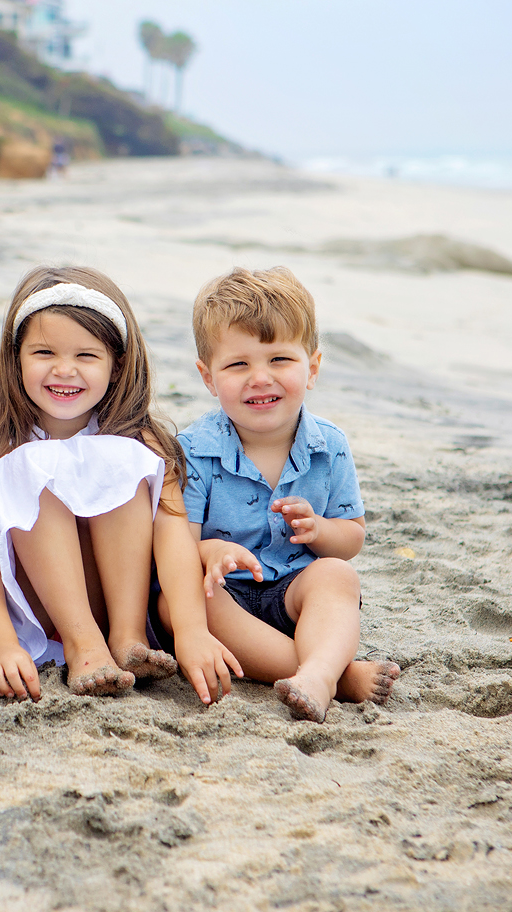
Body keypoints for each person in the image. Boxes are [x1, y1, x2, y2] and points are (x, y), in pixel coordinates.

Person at [0, 266, 241, 703]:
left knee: (114, 459)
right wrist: (1, 646)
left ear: (116, 363)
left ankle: (125, 639)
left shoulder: (135, 438)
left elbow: (172, 533)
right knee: (34, 466)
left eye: (86, 356)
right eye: (44, 353)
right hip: (37, 609)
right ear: (16, 357)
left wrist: (191, 631)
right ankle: (83, 646)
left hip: (116, 602)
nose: (64, 371)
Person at [171, 267, 400, 723]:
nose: (260, 378)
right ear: (208, 377)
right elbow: (175, 546)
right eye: (238, 364)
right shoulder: (194, 451)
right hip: (228, 596)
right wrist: (211, 550)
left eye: (279, 360)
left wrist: (319, 530)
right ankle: (336, 675)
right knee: (178, 603)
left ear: (311, 368)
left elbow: (352, 539)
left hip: (296, 594)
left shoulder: (329, 446)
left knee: (337, 577)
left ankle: (318, 672)